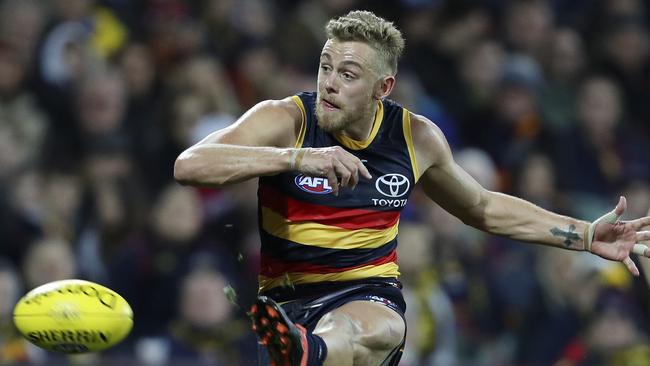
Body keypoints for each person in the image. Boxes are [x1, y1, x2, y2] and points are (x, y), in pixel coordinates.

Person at [174, 10, 650, 366]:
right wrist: (297, 157)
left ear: (383, 88)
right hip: (285, 303)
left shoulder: (415, 137)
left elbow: (482, 207)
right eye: (325, 67)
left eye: (348, 74)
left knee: (375, 325)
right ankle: (304, 347)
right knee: (330, 335)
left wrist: (585, 235)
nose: (329, 84)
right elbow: (191, 164)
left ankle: (311, 351)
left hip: (366, 290)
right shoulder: (286, 119)